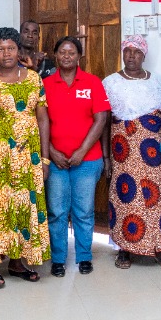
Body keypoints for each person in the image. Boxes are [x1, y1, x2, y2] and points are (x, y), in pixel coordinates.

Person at [0, 27, 49, 287]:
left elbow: (42, 119)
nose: (6, 54)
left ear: (18, 50)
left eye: (11, 48)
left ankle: (17, 262)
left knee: (22, 205)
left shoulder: (34, 79)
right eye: (0, 49)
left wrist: (45, 159)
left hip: (27, 156)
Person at [102, 35, 161, 271]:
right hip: (123, 150)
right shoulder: (110, 83)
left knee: (157, 197)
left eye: (137, 52)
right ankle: (124, 249)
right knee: (125, 196)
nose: (131, 56)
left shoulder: (158, 82)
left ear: (144, 55)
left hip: (153, 152)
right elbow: (104, 122)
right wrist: (106, 157)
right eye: (127, 51)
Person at [41, 36, 110, 277]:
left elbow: (101, 119)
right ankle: (58, 258)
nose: (67, 56)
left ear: (79, 56)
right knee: (57, 211)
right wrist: (51, 152)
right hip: (56, 160)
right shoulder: (45, 84)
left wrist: (82, 151)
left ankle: (84, 256)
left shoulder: (92, 82)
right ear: (55, 55)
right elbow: (38, 122)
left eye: (71, 52)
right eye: (62, 52)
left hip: (87, 160)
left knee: (84, 211)